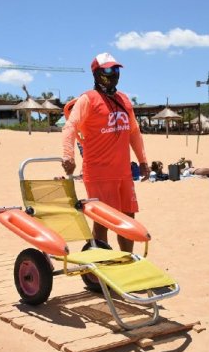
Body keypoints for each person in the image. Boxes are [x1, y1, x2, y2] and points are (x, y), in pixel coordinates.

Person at [61, 52, 150, 252]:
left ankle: (127, 264)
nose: (113, 74)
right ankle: (100, 272)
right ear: (97, 72)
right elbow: (70, 127)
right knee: (102, 221)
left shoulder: (124, 100)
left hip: (123, 173)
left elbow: (134, 131)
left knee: (128, 219)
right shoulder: (88, 99)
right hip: (99, 173)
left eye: (116, 69)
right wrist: (68, 156)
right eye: (108, 69)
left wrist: (143, 161)